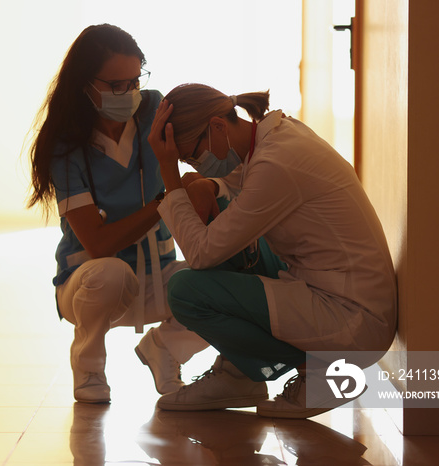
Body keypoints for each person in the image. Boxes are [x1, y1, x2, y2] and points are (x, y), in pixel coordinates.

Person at [146, 83, 397, 418]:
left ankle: (319, 374)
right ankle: (239, 375)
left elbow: (201, 253)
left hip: (352, 320)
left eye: (191, 155)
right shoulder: (277, 136)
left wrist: (168, 172)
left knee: (185, 289)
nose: (194, 164)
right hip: (335, 293)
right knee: (223, 219)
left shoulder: (276, 162)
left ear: (218, 127)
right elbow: (239, 184)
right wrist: (205, 184)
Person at [26, 25, 208, 404]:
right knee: (109, 272)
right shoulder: (64, 145)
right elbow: (99, 242)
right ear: (85, 84)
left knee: (226, 284)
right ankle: (89, 367)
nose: (128, 94)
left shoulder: (155, 111)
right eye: (115, 85)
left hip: (158, 277)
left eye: (134, 81)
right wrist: (167, 198)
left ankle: (165, 349)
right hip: (89, 286)